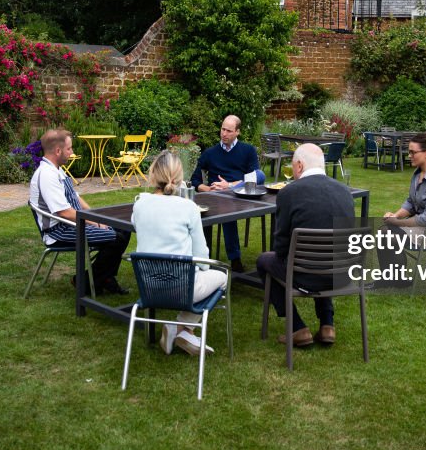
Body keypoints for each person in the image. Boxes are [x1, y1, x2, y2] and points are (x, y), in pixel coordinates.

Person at [256, 143, 355, 347]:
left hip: (304, 275)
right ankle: (327, 325)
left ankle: (297, 327)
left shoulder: (289, 193)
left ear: (299, 165)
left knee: (264, 261)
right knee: (325, 254)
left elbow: (281, 247)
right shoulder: (345, 192)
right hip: (342, 274)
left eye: (293, 166)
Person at [131, 151, 227, 357]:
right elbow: (202, 254)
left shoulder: (139, 204)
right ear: (179, 178)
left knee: (200, 276)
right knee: (223, 277)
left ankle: (180, 331)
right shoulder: (188, 207)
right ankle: (182, 328)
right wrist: (202, 270)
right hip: (182, 288)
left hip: (148, 287)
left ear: (153, 175)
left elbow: (138, 225)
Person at [30, 129, 130, 295]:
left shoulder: (56, 169)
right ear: (58, 151)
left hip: (71, 223)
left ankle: (103, 278)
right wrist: (97, 223)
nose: (72, 152)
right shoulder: (47, 175)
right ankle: (86, 281)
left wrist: (95, 215)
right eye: (69, 149)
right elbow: (65, 212)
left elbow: (75, 197)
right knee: (116, 238)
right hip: (59, 231)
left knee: (123, 228)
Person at [190, 114, 265, 272]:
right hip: (216, 196)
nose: (224, 133)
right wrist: (208, 189)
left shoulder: (248, 150)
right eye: (223, 129)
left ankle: (233, 258)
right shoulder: (210, 153)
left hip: (241, 194)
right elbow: (195, 180)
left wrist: (230, 185)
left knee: (260, 174)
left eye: (229, 131)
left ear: (237, 132)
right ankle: (229, 258)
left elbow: (256, 177)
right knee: (224, 209)